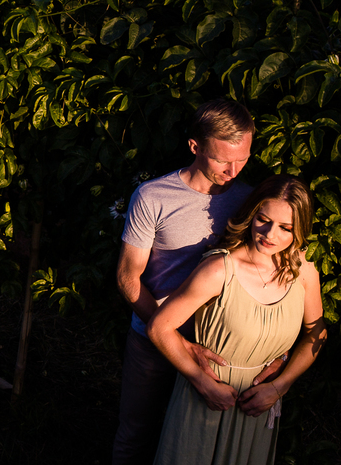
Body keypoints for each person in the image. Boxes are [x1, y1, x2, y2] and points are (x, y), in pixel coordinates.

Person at [113, 98, 272, 465]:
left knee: (197, 445)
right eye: (221, 160)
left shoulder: (249, 200)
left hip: (219, 348)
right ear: (195, 147)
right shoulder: (153, 197)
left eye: (243, 159)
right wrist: (176, 340)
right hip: (153, 341)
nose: (233, 170)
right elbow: (127, 277)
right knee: (136, 434)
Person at [148, 175, 326, 464]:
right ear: (251, 214)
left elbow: (316, 334)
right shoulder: (219, 269)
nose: (270, 234)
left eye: (285, 228)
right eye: (263, 220)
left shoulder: (304, 271)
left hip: (259, 404)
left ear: (300, 229)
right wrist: (201, 382)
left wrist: (280, 386)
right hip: (207, 397)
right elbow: (159, 327)